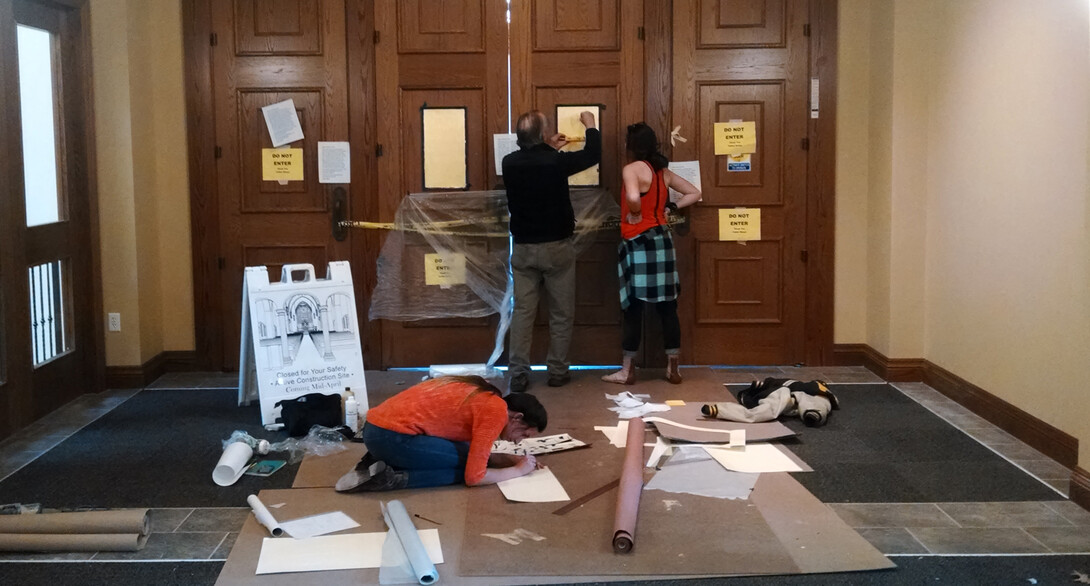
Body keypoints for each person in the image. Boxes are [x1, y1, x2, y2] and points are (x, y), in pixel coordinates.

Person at [502, 110, 601, 392]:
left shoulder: (509, 163)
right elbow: (592, 154)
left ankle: (519, 373)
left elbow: (536, 162)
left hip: (522, 249)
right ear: (544, 136)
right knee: (561, 312)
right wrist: (591, 126)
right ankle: (557, 371)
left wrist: (549, 147)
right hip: (557, 248)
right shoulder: (555, 162)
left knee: (522, 312)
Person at [602, 122, 701, 386]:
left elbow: (634, 196)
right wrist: (671, 206)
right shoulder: (663, 173)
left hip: (638, 242)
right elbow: (695, 193)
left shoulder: (631, 169)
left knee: (633, 306)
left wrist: (635, 210)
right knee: (668, 306)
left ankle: (627, 370)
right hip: (662, 241)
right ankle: (673, 368)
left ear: (631, 146)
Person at [335, 376, 547, 492]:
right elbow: (475, 477)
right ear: (517, 417)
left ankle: (380, 460)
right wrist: (518, 471)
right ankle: (393, 478)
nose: (519, 440)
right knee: (466, 468)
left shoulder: (486, 393)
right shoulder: (496, 411)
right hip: (390, 438)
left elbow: (475, 450)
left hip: (376, 430)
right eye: (524, 434)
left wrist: (508, 459)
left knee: (468, 455)